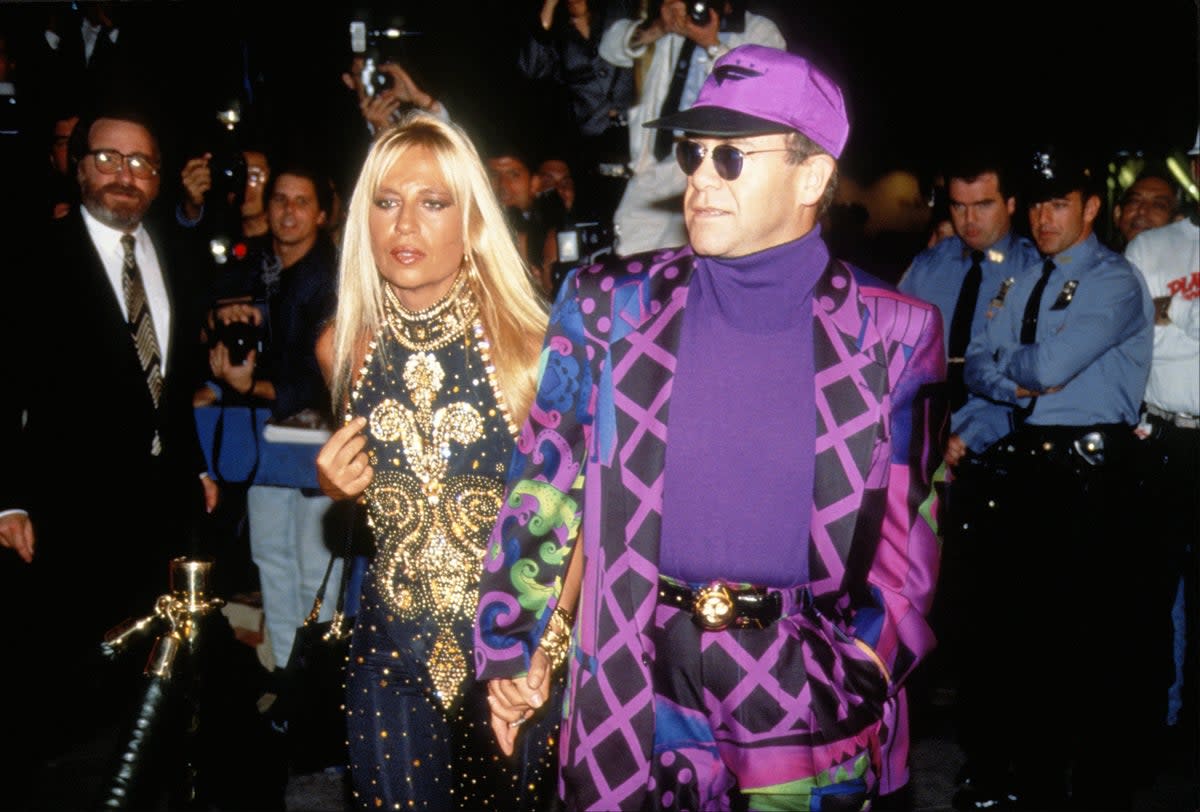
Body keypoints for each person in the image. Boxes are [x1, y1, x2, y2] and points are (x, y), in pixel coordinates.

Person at [476, 45, 947, 810]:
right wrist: (514, 643)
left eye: (731, 156)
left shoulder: (895, 332)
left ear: (812, 176)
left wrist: (861, 670)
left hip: (805, 687)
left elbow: (908, 532)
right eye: (693, 152)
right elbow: (545, 476)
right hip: (631, 676)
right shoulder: (606, 305)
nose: (698, 177)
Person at [313, 110, 559, 810]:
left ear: (471, 220)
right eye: (386, 203)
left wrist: (542, 649)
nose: (404, 225)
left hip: (511, 659)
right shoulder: (342, 348)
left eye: (432, 203)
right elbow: (382, 488)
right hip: (387, 659)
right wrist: (336, 488)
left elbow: (570, 523)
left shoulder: (530, 351)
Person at [0, 105, 217, 808]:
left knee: (161, 679)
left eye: (142, 163)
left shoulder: (176, 256)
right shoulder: (33, 254)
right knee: (75, 683)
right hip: (70, 510)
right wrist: (7, 496)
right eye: (109, 158)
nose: (126, 175)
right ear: (78, 164)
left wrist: (199, 465)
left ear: (158, 179)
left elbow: (173, 383)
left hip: (167, 505)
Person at [963, 145, 1154, 809]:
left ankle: (1102, 789)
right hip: (1031, 467)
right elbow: (980, 369)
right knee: (1028, 642)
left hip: (1094, 475)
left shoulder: (1112, 281)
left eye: (1059, 203)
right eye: (1037, 202)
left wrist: (1021, 368)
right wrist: (1023, 372)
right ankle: (1034, 783)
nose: (1043, 216)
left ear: (1091, 207)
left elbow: (1044, 367)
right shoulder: (1020, 281)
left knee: (1096, 645)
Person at [896, 148, 1040, 810]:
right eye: (958, 205)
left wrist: (968, 436)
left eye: (984, 204)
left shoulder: (1035, 270)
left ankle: (994, 763)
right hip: (925, 459)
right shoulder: (933, 265)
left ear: (1011, 203)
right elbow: (894, 349)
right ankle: (909, 741)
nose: (970, 218)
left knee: (994, 621)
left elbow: (1023, 377)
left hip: (998, 461)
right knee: (917, 603)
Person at [200, 163, 343, 683]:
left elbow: (328, 375)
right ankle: (287, 677)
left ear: (322, 213)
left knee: (314, 571)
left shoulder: (332, 277)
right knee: (271, 560)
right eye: (280, 199)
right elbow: (213, 316)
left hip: (318, 445)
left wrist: (255, 388)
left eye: (301, 201)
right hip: (265, 442)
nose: (287, 210)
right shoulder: (256, 267)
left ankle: (317, 688)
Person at [598, 0, 784, 256]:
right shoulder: (676, 26)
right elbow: (610, 47)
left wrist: (712, 44)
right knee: (631, 252)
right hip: (659, 162)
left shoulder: (759, 31)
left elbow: (763, 92)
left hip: (719, 169)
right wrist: (659, 27)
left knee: (701, 260)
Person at [1125, 136, 1199, 769]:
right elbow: (1134, 333)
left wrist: (1174, 314)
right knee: (1156, 593)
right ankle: (1161, 723)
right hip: (1167, 438)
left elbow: (1162, 323)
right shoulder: (1152, 247)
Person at [518, 0, 636, 225]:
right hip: (593, 138)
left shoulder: (617, 11)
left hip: (635, 124)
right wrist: (548, 8)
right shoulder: (559, 34)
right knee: (605, 211)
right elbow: (531, 67)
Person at [1110, 164, 1179, 249]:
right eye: (1135, 201)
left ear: (1176, 222)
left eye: (1158, 205)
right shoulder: (1098, 261)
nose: (1142, 210)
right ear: (1117, 214)